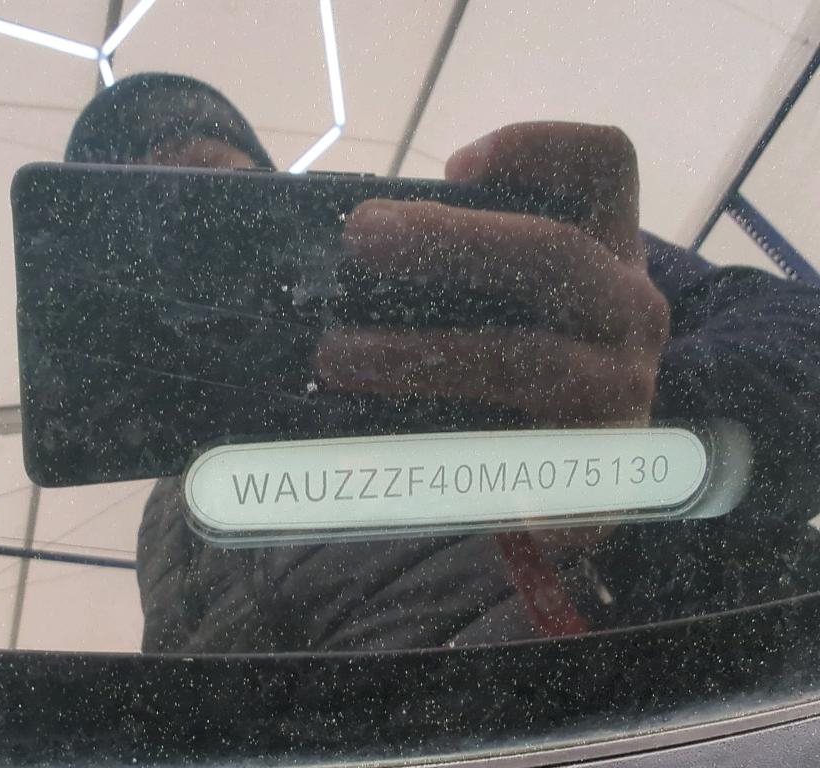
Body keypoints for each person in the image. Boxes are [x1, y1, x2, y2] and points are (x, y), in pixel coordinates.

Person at [65, 73, 820, 652]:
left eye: (216, 207)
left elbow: (800, 332)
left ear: (278, 200)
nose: (198, 269)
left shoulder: (447, 269)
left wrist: (654, 422)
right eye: (150, 244)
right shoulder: (168, 525)